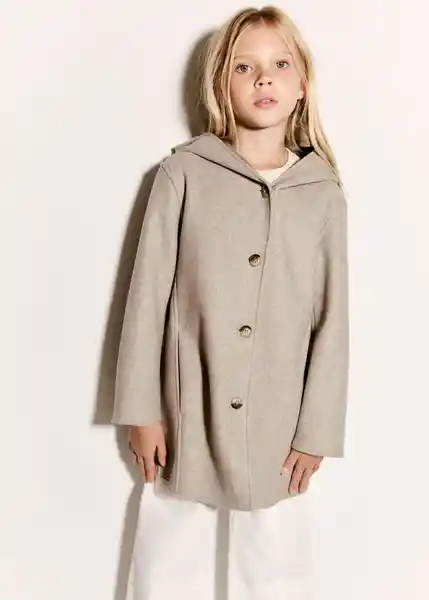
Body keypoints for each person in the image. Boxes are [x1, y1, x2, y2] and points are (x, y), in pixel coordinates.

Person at [111, 5, 350, 599]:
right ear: (221, 84)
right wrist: (141, 409)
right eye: (244, 66)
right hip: (187, 404)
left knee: (277, 561)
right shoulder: (183, 174)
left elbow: (333, 318)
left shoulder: (322, 192)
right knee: (169, 551)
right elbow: (146, 298)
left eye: (279, 65)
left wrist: (317, 429)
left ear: (301, 85)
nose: (264, 78)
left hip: (280, 416)